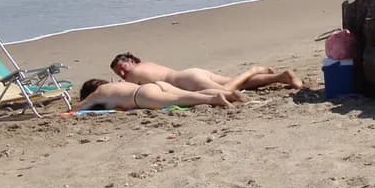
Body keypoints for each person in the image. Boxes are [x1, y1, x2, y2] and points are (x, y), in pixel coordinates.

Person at [110, 52, 303, 92]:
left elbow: (128, 90)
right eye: (119, 73)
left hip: (188, 80)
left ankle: (254, 70)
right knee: (238, 83)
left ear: (131, 61)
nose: (122, 74)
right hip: (191, 74)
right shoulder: (148, 64)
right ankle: (280, 76)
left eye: (121, 68)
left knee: (228, 91)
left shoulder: (136, 72)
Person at [63, 77, 241, 114]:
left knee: (182, 100)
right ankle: (228, 94)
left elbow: (78, 108)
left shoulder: (98, 94)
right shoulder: (116, 84)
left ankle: (215, 99)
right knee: (190, 94)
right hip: (154, 85)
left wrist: (66, 112)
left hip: (141, 96)